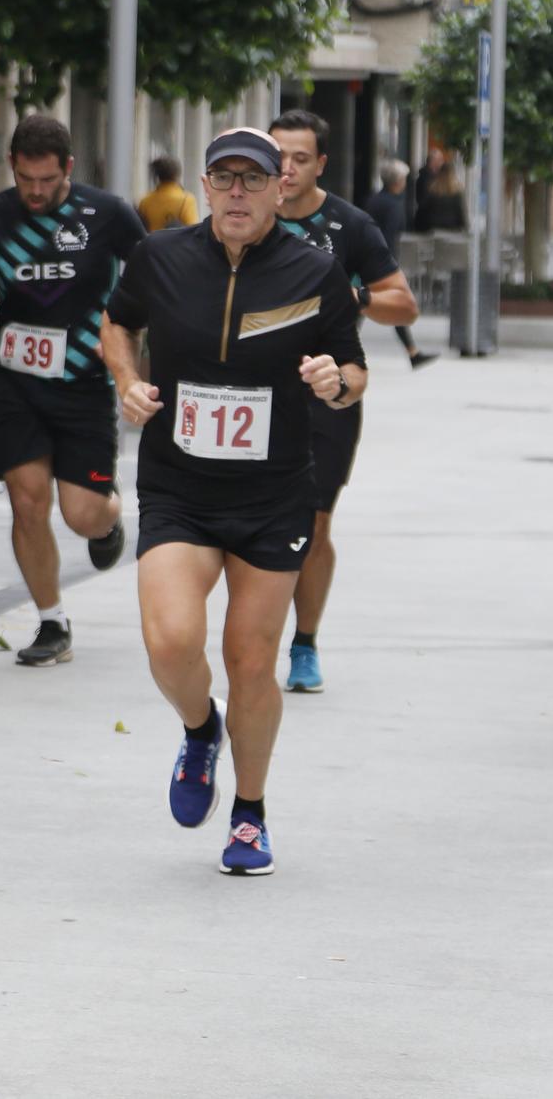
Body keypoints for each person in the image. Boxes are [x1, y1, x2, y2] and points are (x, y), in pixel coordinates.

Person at [100, 127, 367, 875]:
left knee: (251, 659)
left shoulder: (316, 272)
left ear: (282, 186)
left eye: (255, 179)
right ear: (207, 187)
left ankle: (249, 813)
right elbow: (117, 322)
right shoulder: (161, 257)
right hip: (179, 485)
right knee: (170, 642)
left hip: (274, 491)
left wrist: (335, 384)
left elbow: (355, 370)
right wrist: (126, 379)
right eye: (226, 178)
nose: (240, 192)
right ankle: (198, 728)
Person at [0, 115, 145, 668]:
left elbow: (150, 281)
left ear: (68, 169)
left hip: (84, 385)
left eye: (47, 180)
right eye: (26, 179)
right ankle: (52, 621)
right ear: (13, 168)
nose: (36, 191)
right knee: (27, 502)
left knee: (83, 515)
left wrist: (130, 347)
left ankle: (110, 520)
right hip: (16, 384)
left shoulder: (110, 215)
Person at [268, 109, 421, 692]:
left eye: (300, 158)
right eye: (277, 156)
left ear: (320, 164)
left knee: (313, 522)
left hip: (329, 392)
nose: (286, 169)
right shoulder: (245, 216)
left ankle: (304, 643)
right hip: (254, 392)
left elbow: (403, 304)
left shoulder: (349, 226)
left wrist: (351, 294)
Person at [364, 158, 437, 370]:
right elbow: (388, 237)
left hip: (366, 260)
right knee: (385, 304)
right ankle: (412, 353)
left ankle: (412, 352)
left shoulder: (373, 200)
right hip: (380, 264)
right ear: (398, 181)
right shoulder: (394, 206)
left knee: (362, 305)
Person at [138, 155, 199, 233]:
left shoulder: (145, 201)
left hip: (151, 244)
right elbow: (193, 231)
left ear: (158, 176)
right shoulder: (187, 200)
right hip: (176, 244)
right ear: (177, 174)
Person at [414, 158, 466, 231]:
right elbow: (460, 213)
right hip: (451, 229)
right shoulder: (456, 192)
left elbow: (423, 210)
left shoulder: (432, 190)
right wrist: (464, 227)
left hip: (432, 228)